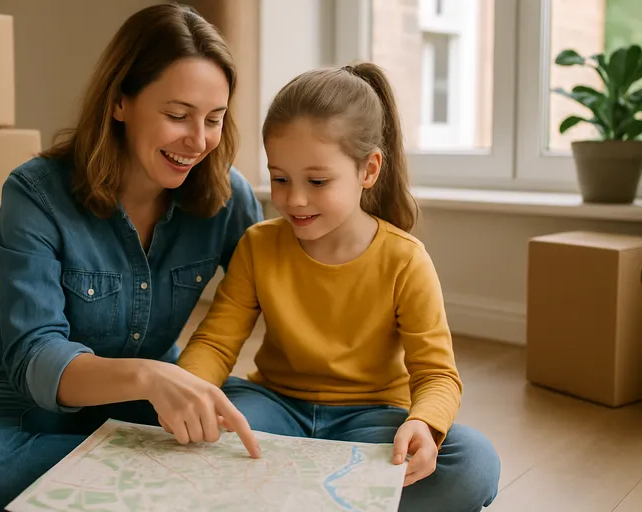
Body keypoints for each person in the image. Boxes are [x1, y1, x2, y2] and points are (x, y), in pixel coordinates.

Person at [0, 4, 264, 511]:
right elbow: (35, 353)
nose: (198, 141)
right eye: (177, 115)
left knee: (263, 418)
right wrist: (148, 376)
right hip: (26, 397)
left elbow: (279, 297)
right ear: (120, 101)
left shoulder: (228, 196)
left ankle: (106, 478)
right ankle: (156, 479)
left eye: (213, 119)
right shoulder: (35, 193)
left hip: (145, 399)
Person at [175, 62, 501, 511]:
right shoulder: (258, 245)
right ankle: (336, 497)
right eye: (280, 178)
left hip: (371, 418)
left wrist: (424, 425)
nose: (294, 199)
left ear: (369, 170)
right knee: (205, 428)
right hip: (274, 408)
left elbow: (436, 374)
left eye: (317, 181)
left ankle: (287, 494)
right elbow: (215, 342)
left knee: (474, 463)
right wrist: (188, 391)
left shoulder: (405, 260)